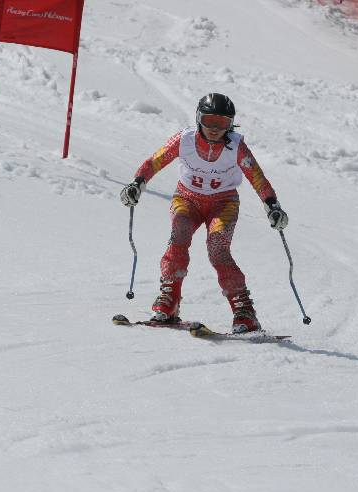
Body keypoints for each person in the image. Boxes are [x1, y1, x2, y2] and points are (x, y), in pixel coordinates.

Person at [120, 93, 288, 333]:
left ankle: (244, 311)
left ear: (231, 124)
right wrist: (137, 184)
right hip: (187, 199)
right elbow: (154, 162)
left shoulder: (236, 146)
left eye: (222, 123)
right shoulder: (184, 140)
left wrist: (272, 206)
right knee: (179, 234)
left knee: (218, 249)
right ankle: (170, 299)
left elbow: (258, 178)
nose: (215, 129)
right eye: (210, 121)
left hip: (223, 204)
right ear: (199, 118)